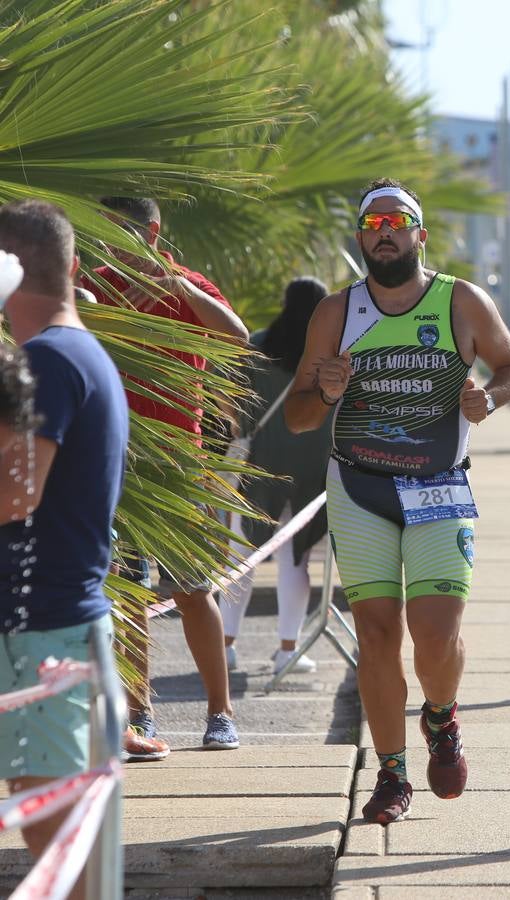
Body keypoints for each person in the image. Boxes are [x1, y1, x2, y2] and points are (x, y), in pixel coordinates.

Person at [286, 178, 510, 825]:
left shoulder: (460, 302)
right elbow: (299, 419)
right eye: (373, 223)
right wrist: (326, 391)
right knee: (376, 634)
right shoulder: (337, 314)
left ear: (420, 234)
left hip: (438, 487)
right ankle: (391, 773)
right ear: (361, 238)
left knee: (436, 634)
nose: (384, 231)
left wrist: (491, 397)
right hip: (361, 487)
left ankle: (442, 718)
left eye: (398, 221)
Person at [84, 196, 250, 757]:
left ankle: (220, 712)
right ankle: (140, 712)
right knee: (128, 594)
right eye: (104, 232)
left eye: (122, 232)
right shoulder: (94, 284)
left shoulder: (188, 284)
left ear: (153, 232)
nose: (112, 244)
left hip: (181, 468)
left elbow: (237, 337)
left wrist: (180, 290)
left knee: (192, 591)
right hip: (114, 465)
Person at [0, 200, 129, 899]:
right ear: (73, 268)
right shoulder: (73, 351)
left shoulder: (49, 360)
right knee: (62, 833)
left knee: (57, 840)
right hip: (54, 625)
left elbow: (16, 493)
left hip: (41, 627)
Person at [220, 277, 333, 674]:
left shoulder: (259, 344)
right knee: (295, 558)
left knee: (240, 558)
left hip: (261, 464)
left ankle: (226, 647)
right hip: (311, 466)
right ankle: (288, 649)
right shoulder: (328, 353)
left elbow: (235, 404)